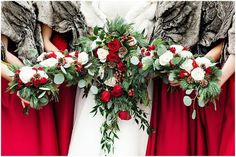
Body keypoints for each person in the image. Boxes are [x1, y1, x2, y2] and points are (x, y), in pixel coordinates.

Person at [68, 0, 156, 155]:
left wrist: (136, 58)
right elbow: (86, 31)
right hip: (98, 72)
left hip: (137, 75)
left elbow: (153, 32)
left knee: (131, 131)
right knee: (93, 127)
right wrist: (100, 53)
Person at [146, 1, 234, 155]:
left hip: (210, 77)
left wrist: (197, 67)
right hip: (171, 81)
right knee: (174, 144)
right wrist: (167, 64)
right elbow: (158, 30)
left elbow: (227, 41)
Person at [1, 1, 59, 155]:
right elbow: (2, 53)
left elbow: (45, 39)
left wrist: (62, 61)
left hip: (39, 74)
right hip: (13, 78)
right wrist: (26, 77)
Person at [36, 1, 88, 155]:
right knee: (64, 113)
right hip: (61, 60)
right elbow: (45, 40)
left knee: (76, 111)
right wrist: (66, 59)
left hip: (81, 61)